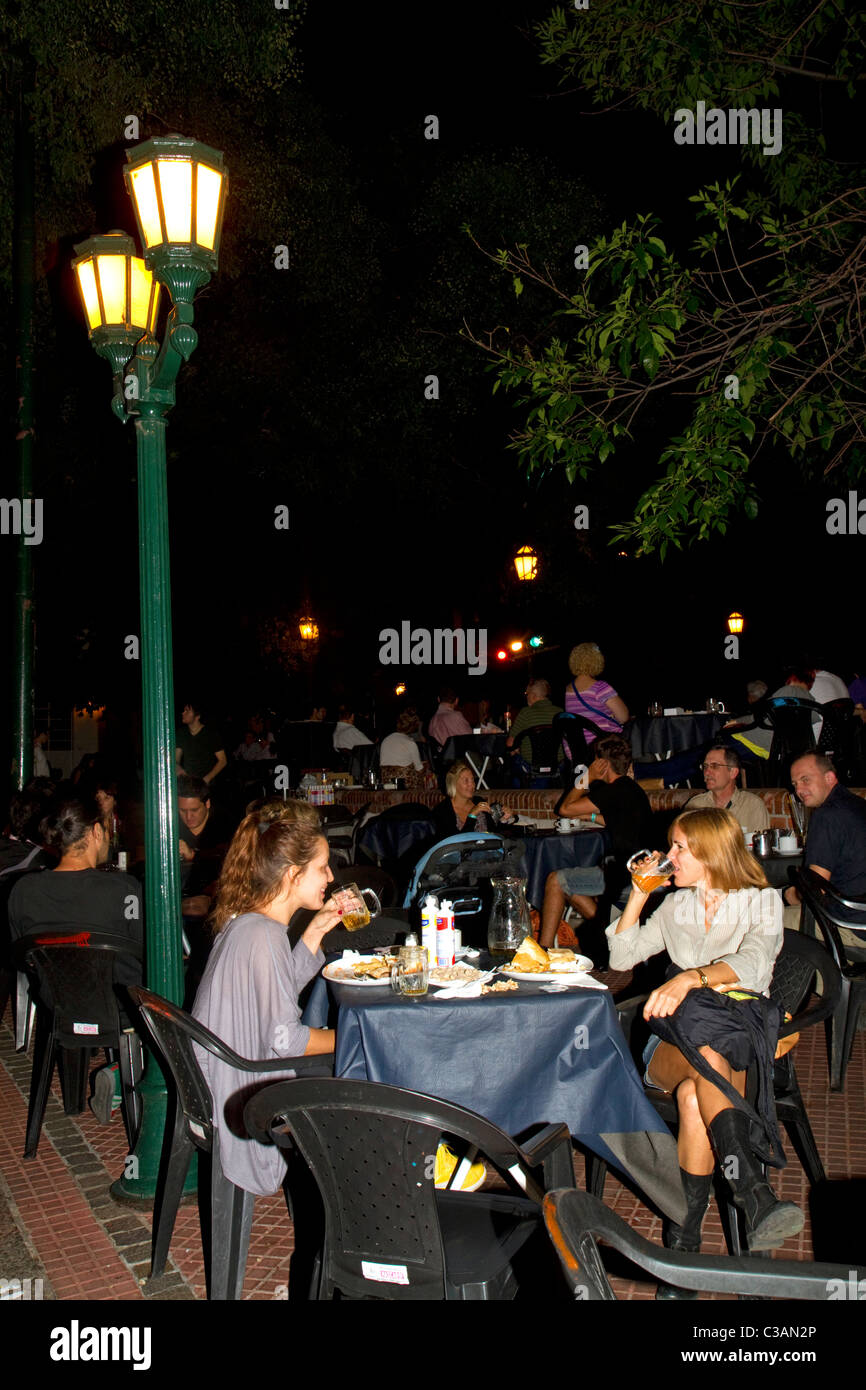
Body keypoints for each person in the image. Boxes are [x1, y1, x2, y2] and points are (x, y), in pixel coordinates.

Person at [607, 808, 800, 1274]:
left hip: (738, 1039)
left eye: (679, 848)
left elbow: (754, 964)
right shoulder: (675, 907)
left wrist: (690, 979)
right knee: (703, 1057)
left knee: (695, 1098)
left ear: (711, 854)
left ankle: (683, 1243)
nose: (669, 856)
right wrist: (637, 894)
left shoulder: (762, 903)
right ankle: (752, 1192)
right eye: (671, 846)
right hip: (672, 1045)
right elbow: (621, 955)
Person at [191, 800, 339, 1197]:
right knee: (362, 1070)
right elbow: (286, 1039)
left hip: (221, 1076)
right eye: (322, 867)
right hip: (243, 1089)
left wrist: (316, 930)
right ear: (293, 874)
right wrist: (353, 1037)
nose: (330, 876)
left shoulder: (248, 921)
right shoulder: (264, 936)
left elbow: (273, 995)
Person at [8, 796, 144, 1123]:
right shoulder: (124, 888)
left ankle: (111, 1077)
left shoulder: (23, 891)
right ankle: (126, 1075)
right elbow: (146, 953)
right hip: (124, 1010)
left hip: (60, 1007)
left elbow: (23, 958)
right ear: (96, 832)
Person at [539, 735, 654, 951]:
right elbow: (617, 819)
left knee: (556, 880)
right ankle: (609, 928)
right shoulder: (630, 789)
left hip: (625, 876)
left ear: (603, 764)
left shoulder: (613, 790)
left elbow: (564, 808)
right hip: (637, 872)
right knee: (570, 886)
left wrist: (587, 777)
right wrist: (589, 817)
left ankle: (542, 950)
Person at [783, 753, 866, 939]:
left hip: (852, 924)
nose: (799, 789)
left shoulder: (826, 815)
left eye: (805, 780)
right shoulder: (859, 805)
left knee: (765, 922)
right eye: (795, 784)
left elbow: (816, 890)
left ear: (829, 778)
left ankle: (822, 968)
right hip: (858, 912)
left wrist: (788, 896)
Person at [177, 776, 233, 910]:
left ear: (207, 804)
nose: (188, 817)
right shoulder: (171, 827)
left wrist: (194, 855)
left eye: (194, 810)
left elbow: (229, 860)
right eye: (183, 811)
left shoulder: (226, 825)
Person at [686, 745, 770, 831]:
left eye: (714, 766)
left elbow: (762, 843)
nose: (707, 772)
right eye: (705, 766)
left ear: (733, 772)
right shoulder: (695, 806)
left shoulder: (752, 806)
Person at [563, 643, 628, 743]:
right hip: (602, 748)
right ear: (597, 661)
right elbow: (624, 717)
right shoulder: (600, 687)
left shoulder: (568, 690)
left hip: (576, 749)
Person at [430, 760, 503, 841]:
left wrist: (508, 818)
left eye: (472, 780)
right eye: (466, 781)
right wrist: (472, 815)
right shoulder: (443, 811)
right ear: (454, 784)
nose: (471, 785)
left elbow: (494, 831)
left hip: (489, 850)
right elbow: (454, 843)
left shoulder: (478, 801)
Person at [505, 679, 563, 763]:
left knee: (512, 754)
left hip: (531, 766)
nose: (526, 696)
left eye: (527, 694)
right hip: (557, 765)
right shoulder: (560, 712)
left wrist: (518, 749)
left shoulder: (526, 712)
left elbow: (510, 743)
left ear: (533, 696)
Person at [175, 700, 227, 786]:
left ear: (197, 716)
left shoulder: (211, 734)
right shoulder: (181, 733)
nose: (183, 713)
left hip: (206, 784)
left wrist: (206, 779)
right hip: (188, 782)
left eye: (187, 711)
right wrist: (181, 773)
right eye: (183, 710)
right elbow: (176, 759)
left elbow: (223, 761)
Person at [380, 708, 428, 785]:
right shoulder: (410, 743)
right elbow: (419, 769)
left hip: (387, 783)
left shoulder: (386, 740)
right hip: (406, 784)